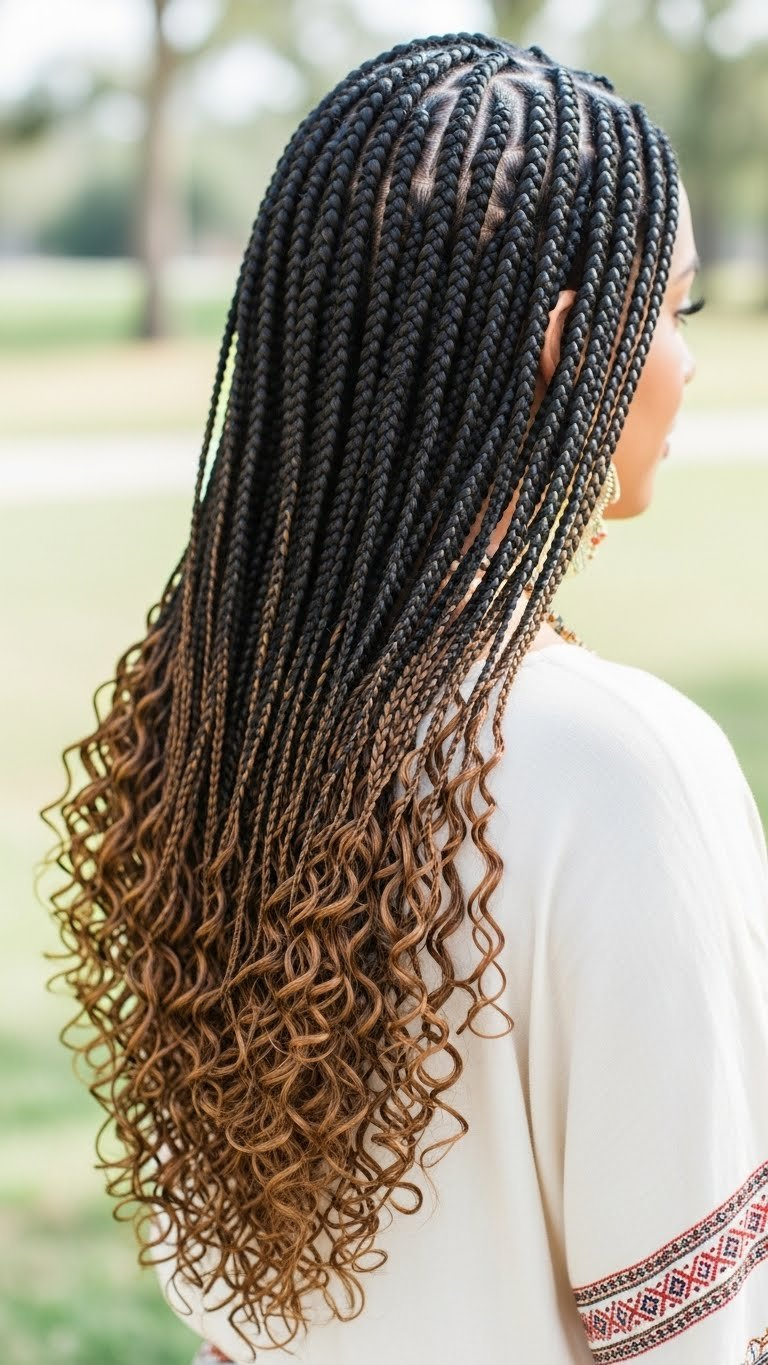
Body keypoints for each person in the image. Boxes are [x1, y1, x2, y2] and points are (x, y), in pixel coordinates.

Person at [44, 32, 768, 1365]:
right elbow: (694, 1339)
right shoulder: (625, 769)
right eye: (677, 308)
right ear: (568, 345)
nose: (688, 360)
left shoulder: (207, 719)